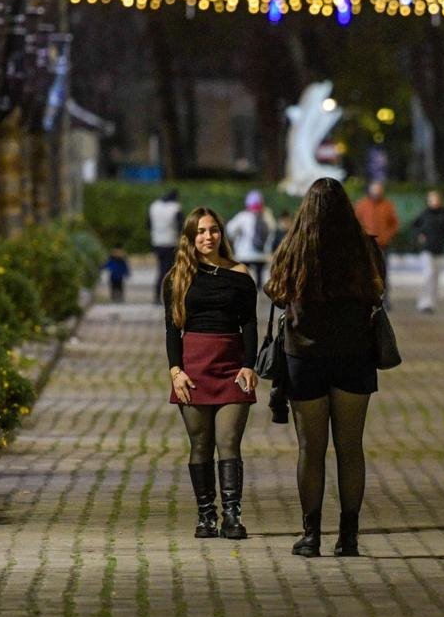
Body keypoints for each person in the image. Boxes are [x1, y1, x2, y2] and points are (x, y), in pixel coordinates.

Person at [266, 178, 385, 558]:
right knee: (350, 448)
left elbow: (275, 291)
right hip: (354, 355)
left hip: (304, 357)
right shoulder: (364, 247)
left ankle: (311, 535)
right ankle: (348, 536)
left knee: (310, 449)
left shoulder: (295, 246)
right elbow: (378, 291)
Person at [164, 207, 260, 541]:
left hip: (232, 366)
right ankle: (206, 516)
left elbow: (250, 323)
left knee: (229, 441)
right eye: (201, 231)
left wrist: (249, 364)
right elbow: (172, 330)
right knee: (201, 444)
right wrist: (176, 371)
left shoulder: (240, 274)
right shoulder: (177, 277)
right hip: (193, 368)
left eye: (214, 230)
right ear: (190, 237)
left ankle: (232, 517)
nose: (209, 237)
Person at [354, 180, 400, 308]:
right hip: (366, 246)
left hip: (383, 245)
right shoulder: (362, 205)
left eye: (379, 190)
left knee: (383, 273)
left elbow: (394, 224)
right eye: (375, 190)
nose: (377, 193)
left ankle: (384, 299)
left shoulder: (388, 205)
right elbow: (354, 222)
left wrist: (387, 236)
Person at [409, 190, 444, 313]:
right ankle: (424, 302)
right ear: (428, 201)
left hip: (439, 250)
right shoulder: (424, 213)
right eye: (432, 199)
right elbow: (414, 226)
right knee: (428, 274)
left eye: (437, 199)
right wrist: (419, 236)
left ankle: (432, 303)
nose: (435, 202)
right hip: (426, 249)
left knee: (436, 277)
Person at [224, 190, 278, 286]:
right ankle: (259, 291)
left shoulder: (243, 216)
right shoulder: (267, 216)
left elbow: (230, 230)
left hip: (244, 255)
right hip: (263, 256)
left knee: (243, 281)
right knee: (260, 283)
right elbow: (273, 231)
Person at [148, 189, 184, 302]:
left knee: (161, 268)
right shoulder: (175, 208)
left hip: (157, 242)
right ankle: (169, 296)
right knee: (169, 270)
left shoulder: (154, 206)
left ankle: (157, 295)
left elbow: (148, 224)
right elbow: (181, 226)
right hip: (170, 242)